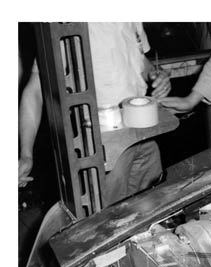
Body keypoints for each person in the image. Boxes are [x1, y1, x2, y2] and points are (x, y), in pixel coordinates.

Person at [19, 23, 172, 205]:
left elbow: (140, 61)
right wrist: (26, 153)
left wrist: (155, 75)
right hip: (104, 145)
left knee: (152, 207)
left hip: (145, 135)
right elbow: (36, 89)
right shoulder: (69, 24)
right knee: (110, 216)